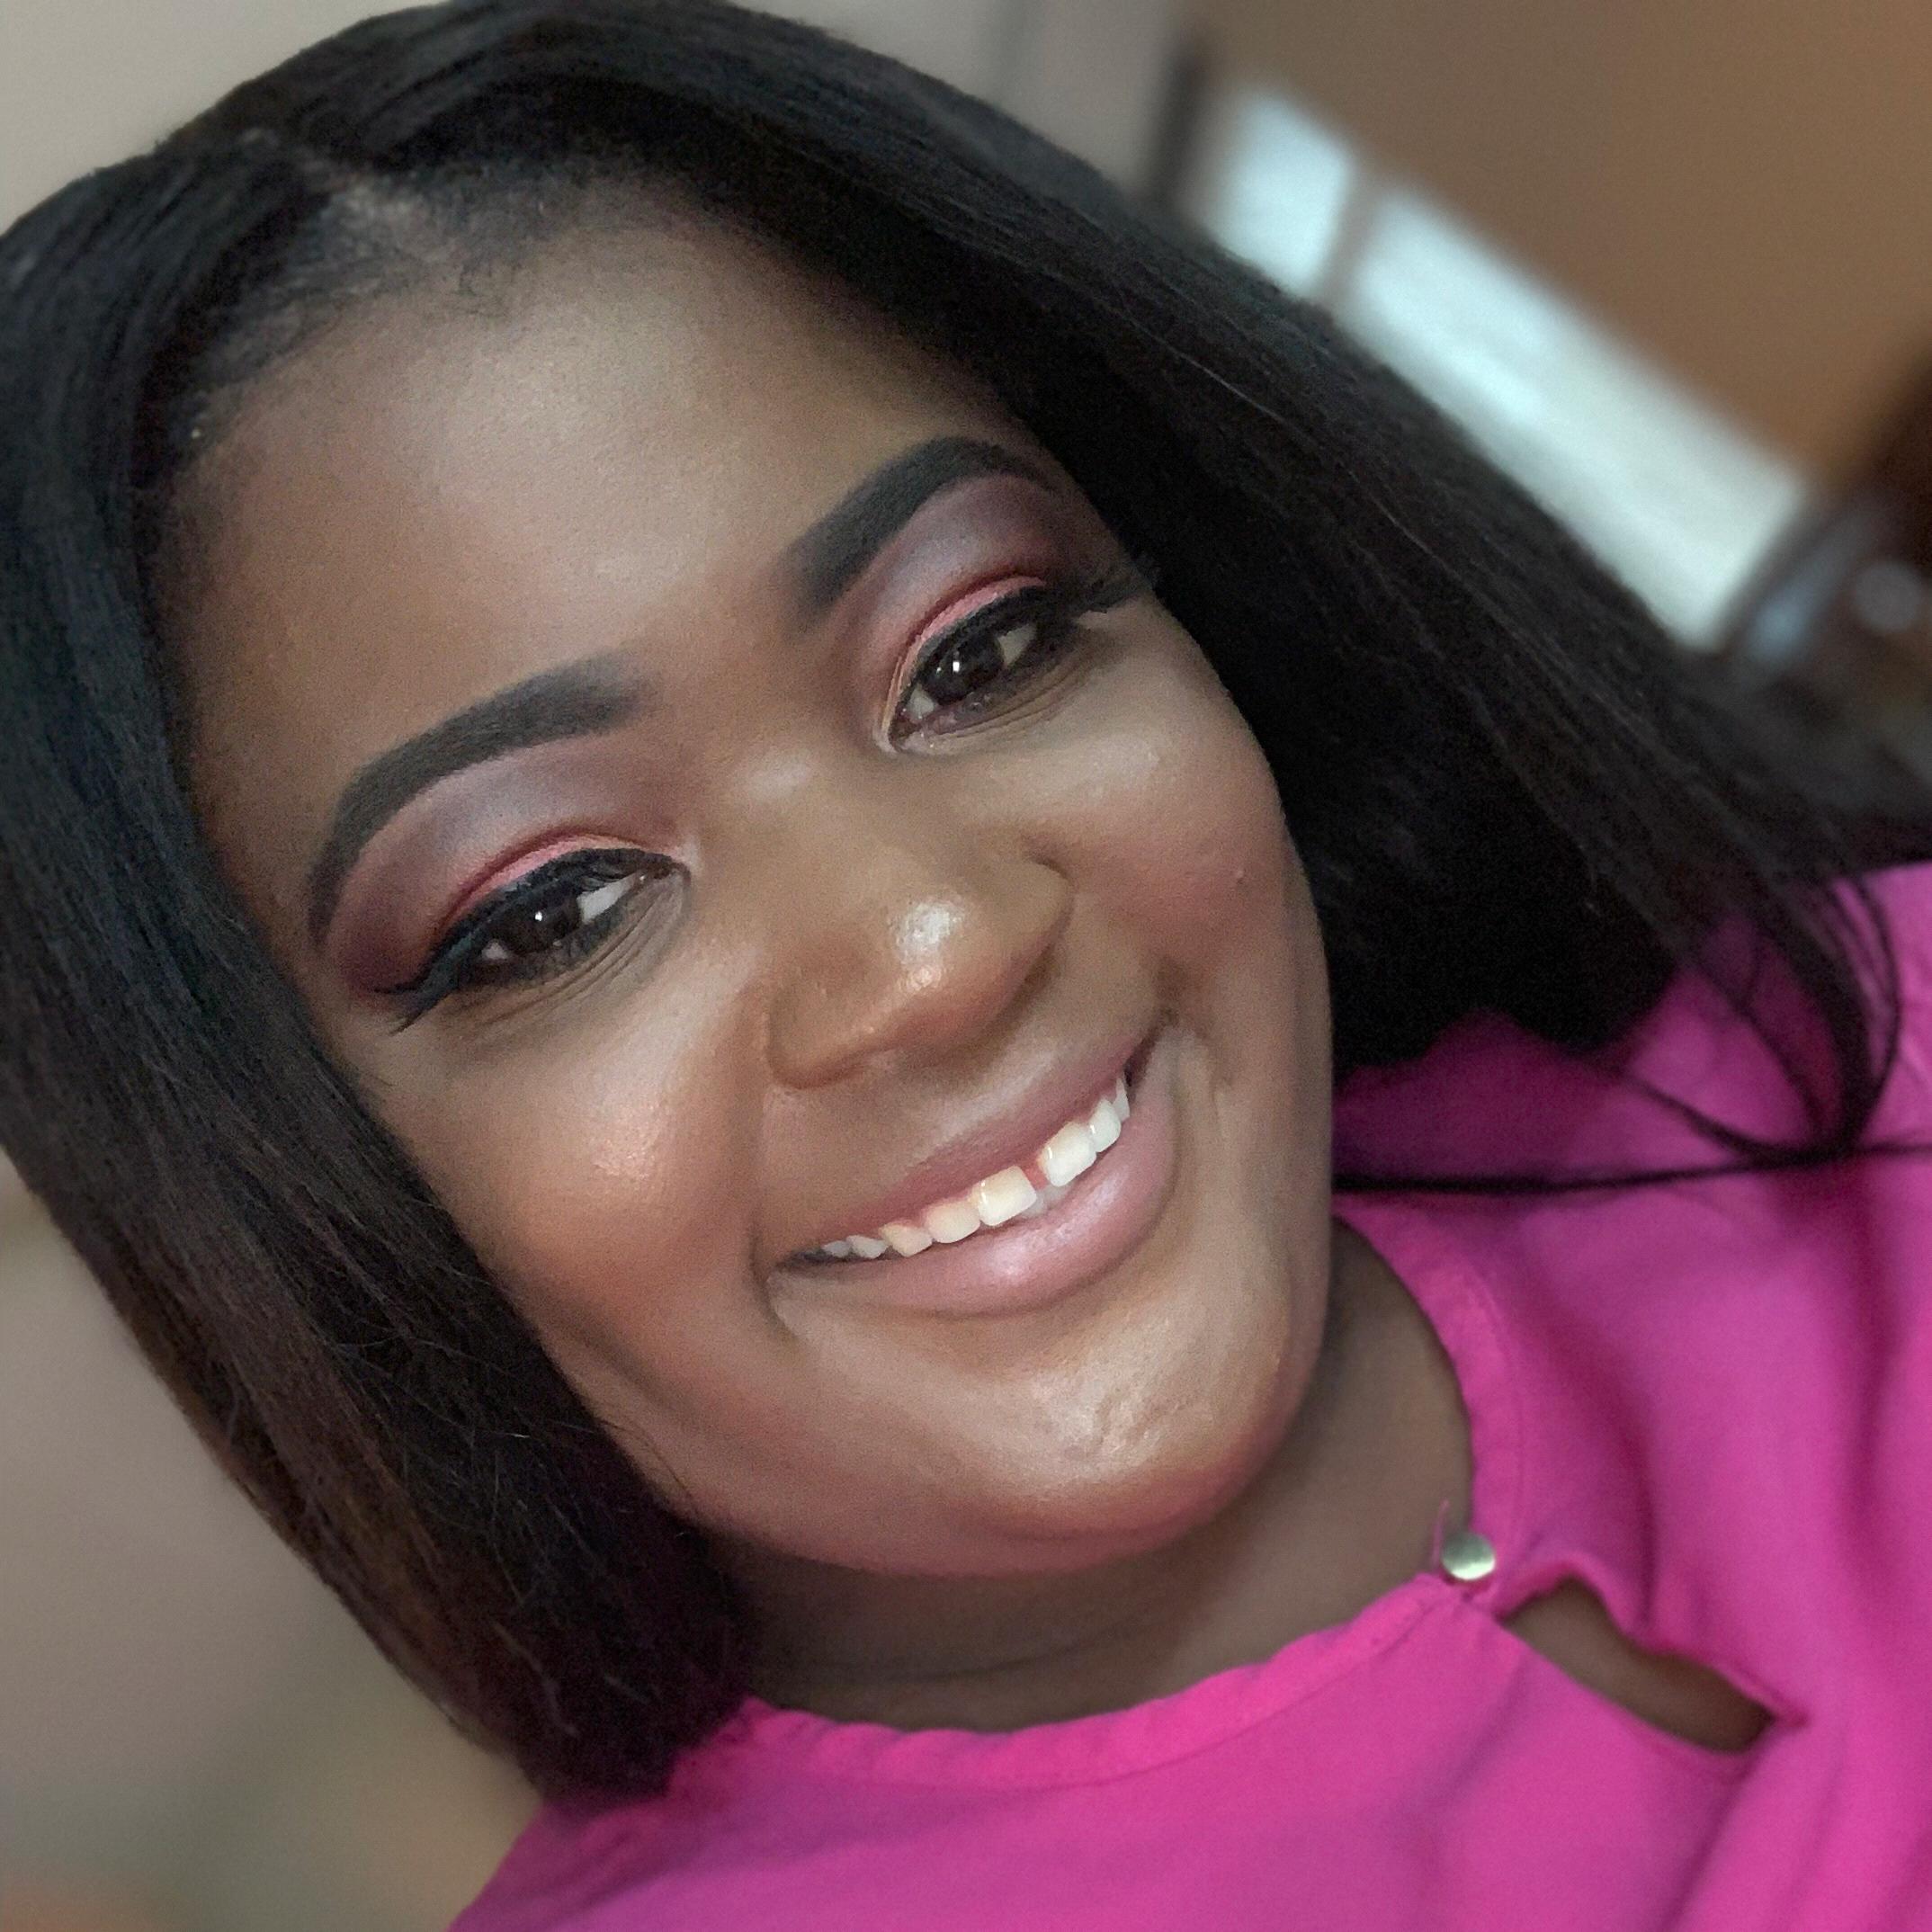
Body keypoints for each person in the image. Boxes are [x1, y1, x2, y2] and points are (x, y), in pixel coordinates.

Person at [3, 3, 1929, 1926]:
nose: (936, 953)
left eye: (981, 647)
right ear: (294, 1183)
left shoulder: (1865, 1034)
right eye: (548, 914)